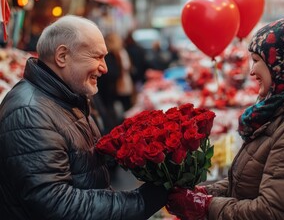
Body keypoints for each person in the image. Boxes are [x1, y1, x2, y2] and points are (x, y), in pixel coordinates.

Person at [166, 14, 284, 219]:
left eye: (257, 61)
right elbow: (252, 181)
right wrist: (207, 193)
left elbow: (274, 213)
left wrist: (207, 206)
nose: (251, 71)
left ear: (283, 66)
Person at [0, 15, 168, 219]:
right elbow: (56, 205)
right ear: (62, 56)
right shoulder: (29, 113)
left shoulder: (66, 98)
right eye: (97, 57)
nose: (105, 68)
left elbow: (82, 164)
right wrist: (142, 200)